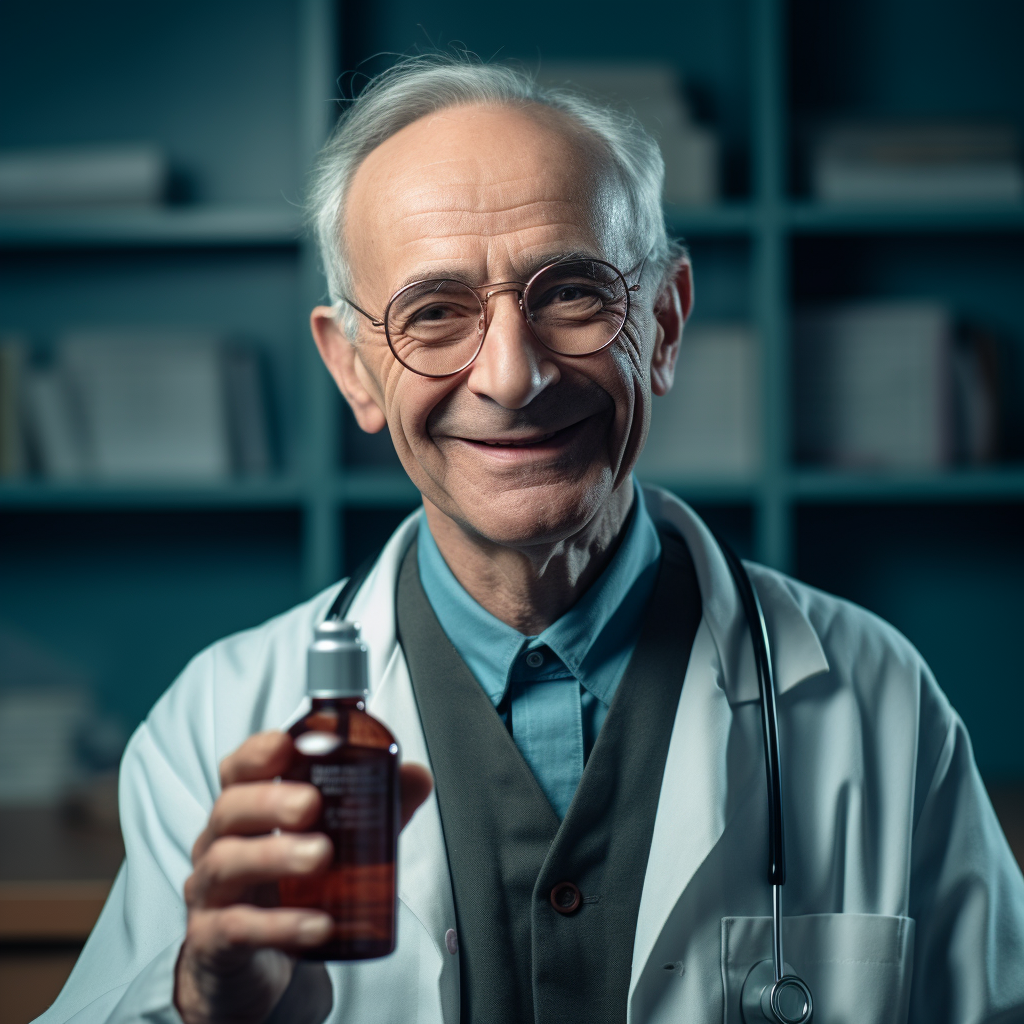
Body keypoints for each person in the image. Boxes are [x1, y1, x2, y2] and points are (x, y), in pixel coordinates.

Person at [38, 55, 1024, 1024]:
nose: (512, 376)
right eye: (433, 314)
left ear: (666, 323)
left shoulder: (875, 700)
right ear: (353, 372)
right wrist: (210, 1011)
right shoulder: (217, 723)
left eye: (571, 294)